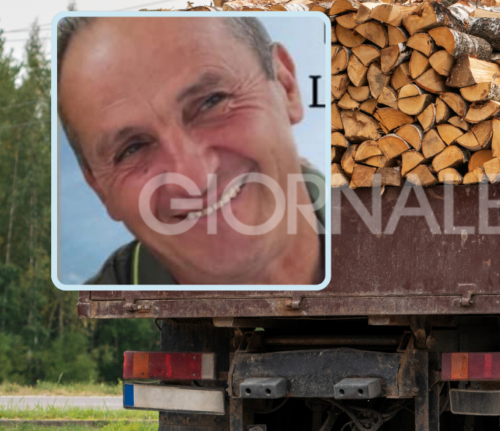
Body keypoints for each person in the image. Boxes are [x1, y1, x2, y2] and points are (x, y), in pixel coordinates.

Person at [57, 16, 325, 286]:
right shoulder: (85, 324)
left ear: (285, 86)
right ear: (99, 188)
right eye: (132, 149)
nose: (195, 178)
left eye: (212, 102)